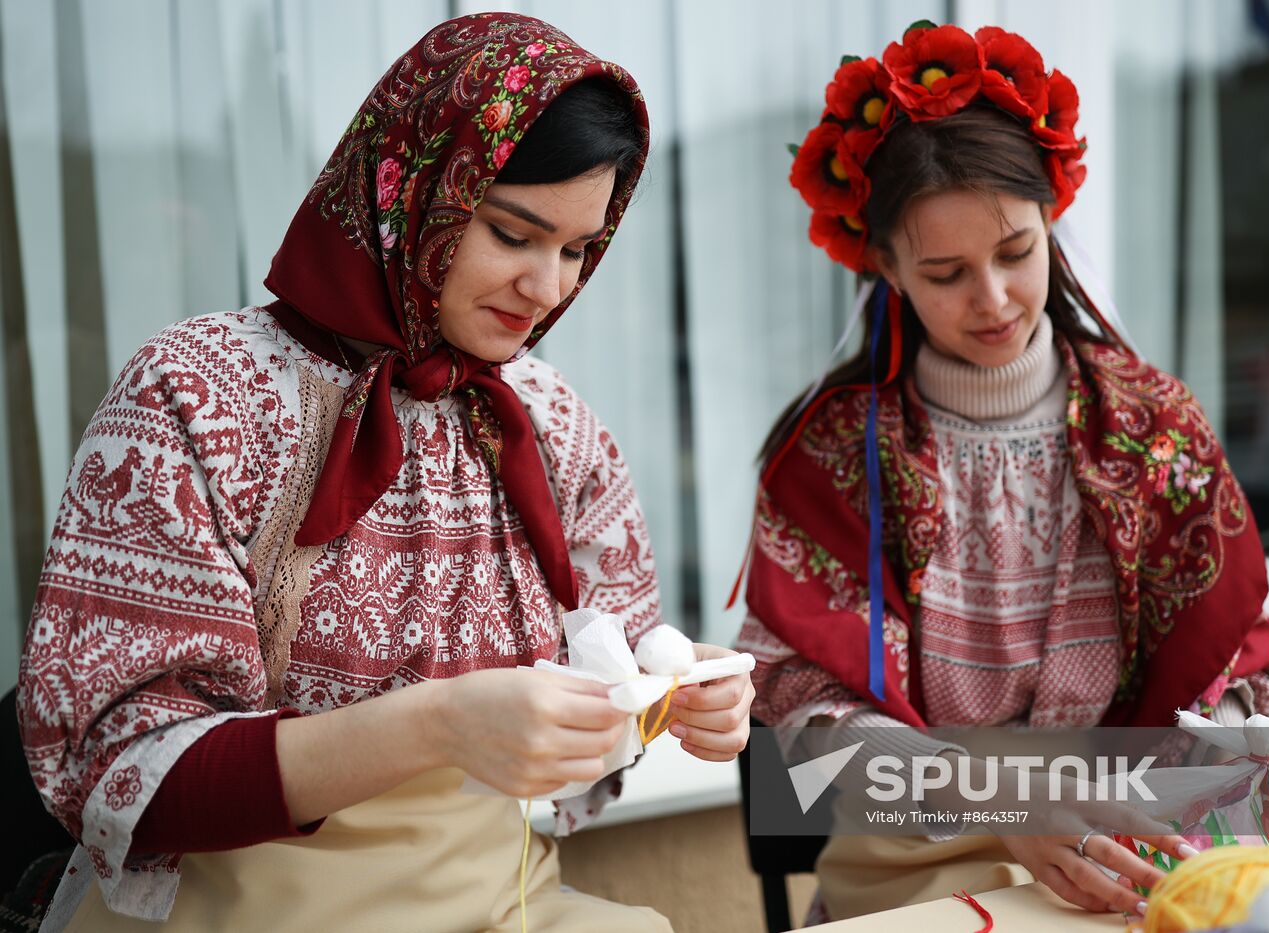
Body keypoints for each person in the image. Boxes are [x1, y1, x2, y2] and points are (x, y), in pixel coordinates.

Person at [18, 13, 751, 931]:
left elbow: (605, 690)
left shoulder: (552, 422)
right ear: (412, 191)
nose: (550, 288)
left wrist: (669, 700)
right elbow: (119, 776)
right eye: (514, 233)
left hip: (497, 903)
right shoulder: (199, 395)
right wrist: (436, 724)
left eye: (576, 249)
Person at [737, 21, 1269, 923]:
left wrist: (1246, 753)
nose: (992, 300)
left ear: (1051, 221)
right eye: (946, 272)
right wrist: (1004, 800)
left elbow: (1226, 663)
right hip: (918, 876)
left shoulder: (1153, 429)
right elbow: (804, 729)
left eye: (1016, 253)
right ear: (885, 266)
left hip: (1134, 861)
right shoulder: (832, 455)